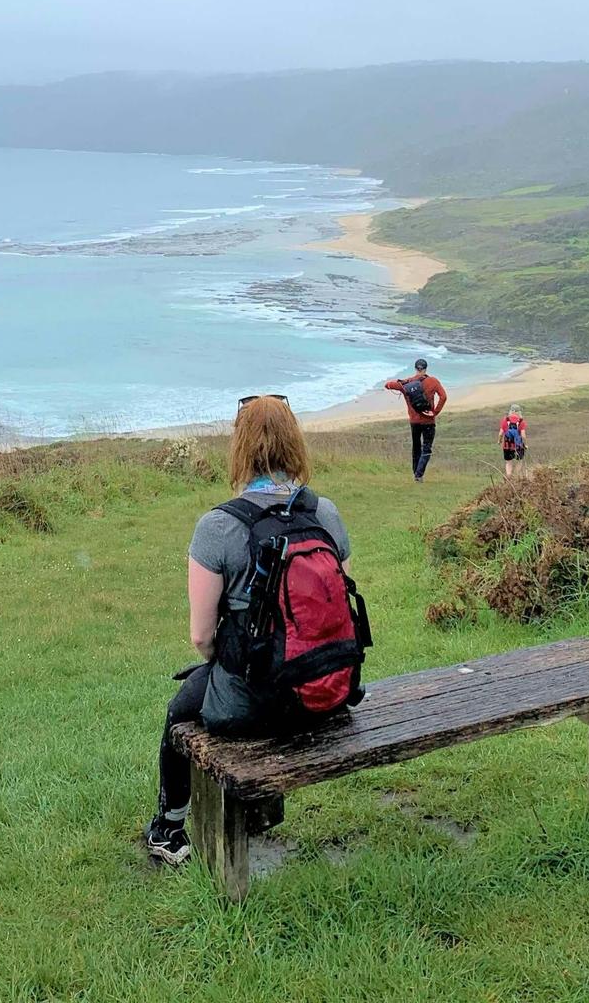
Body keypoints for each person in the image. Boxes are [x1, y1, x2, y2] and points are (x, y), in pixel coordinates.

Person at [144, 393, 361, 868]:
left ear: (239, 448)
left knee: (180, 711)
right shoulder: (324, 512)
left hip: (256, 705)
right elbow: (335, 603)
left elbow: (202, 636)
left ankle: (168, 827)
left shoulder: (217, 526)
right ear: (294, 443)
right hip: (329, 692)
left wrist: (228, 662)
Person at [384, 358, 447, 481]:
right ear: (425, 368)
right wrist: (435, 412)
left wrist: (401, 382)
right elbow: (443, 397)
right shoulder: (433, 381)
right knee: (427, 448)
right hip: (428, 421)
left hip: (414, 421)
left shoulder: (407, 384)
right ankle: (419, 474)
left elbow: (387, 385)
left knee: (416, 447)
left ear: (415, 368)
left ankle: (416, 474)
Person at [499, 405, 527, 475]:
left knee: (508, 462)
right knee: (519, 461)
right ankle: (515, 477)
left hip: (507, 445)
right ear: (519, 412)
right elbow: (523, 436)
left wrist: (499, 441)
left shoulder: (505, 420)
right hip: (518, 445)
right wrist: (525, 444)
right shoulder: (521, 421)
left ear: (510, 411)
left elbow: (500, 433)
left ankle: (509, 478)